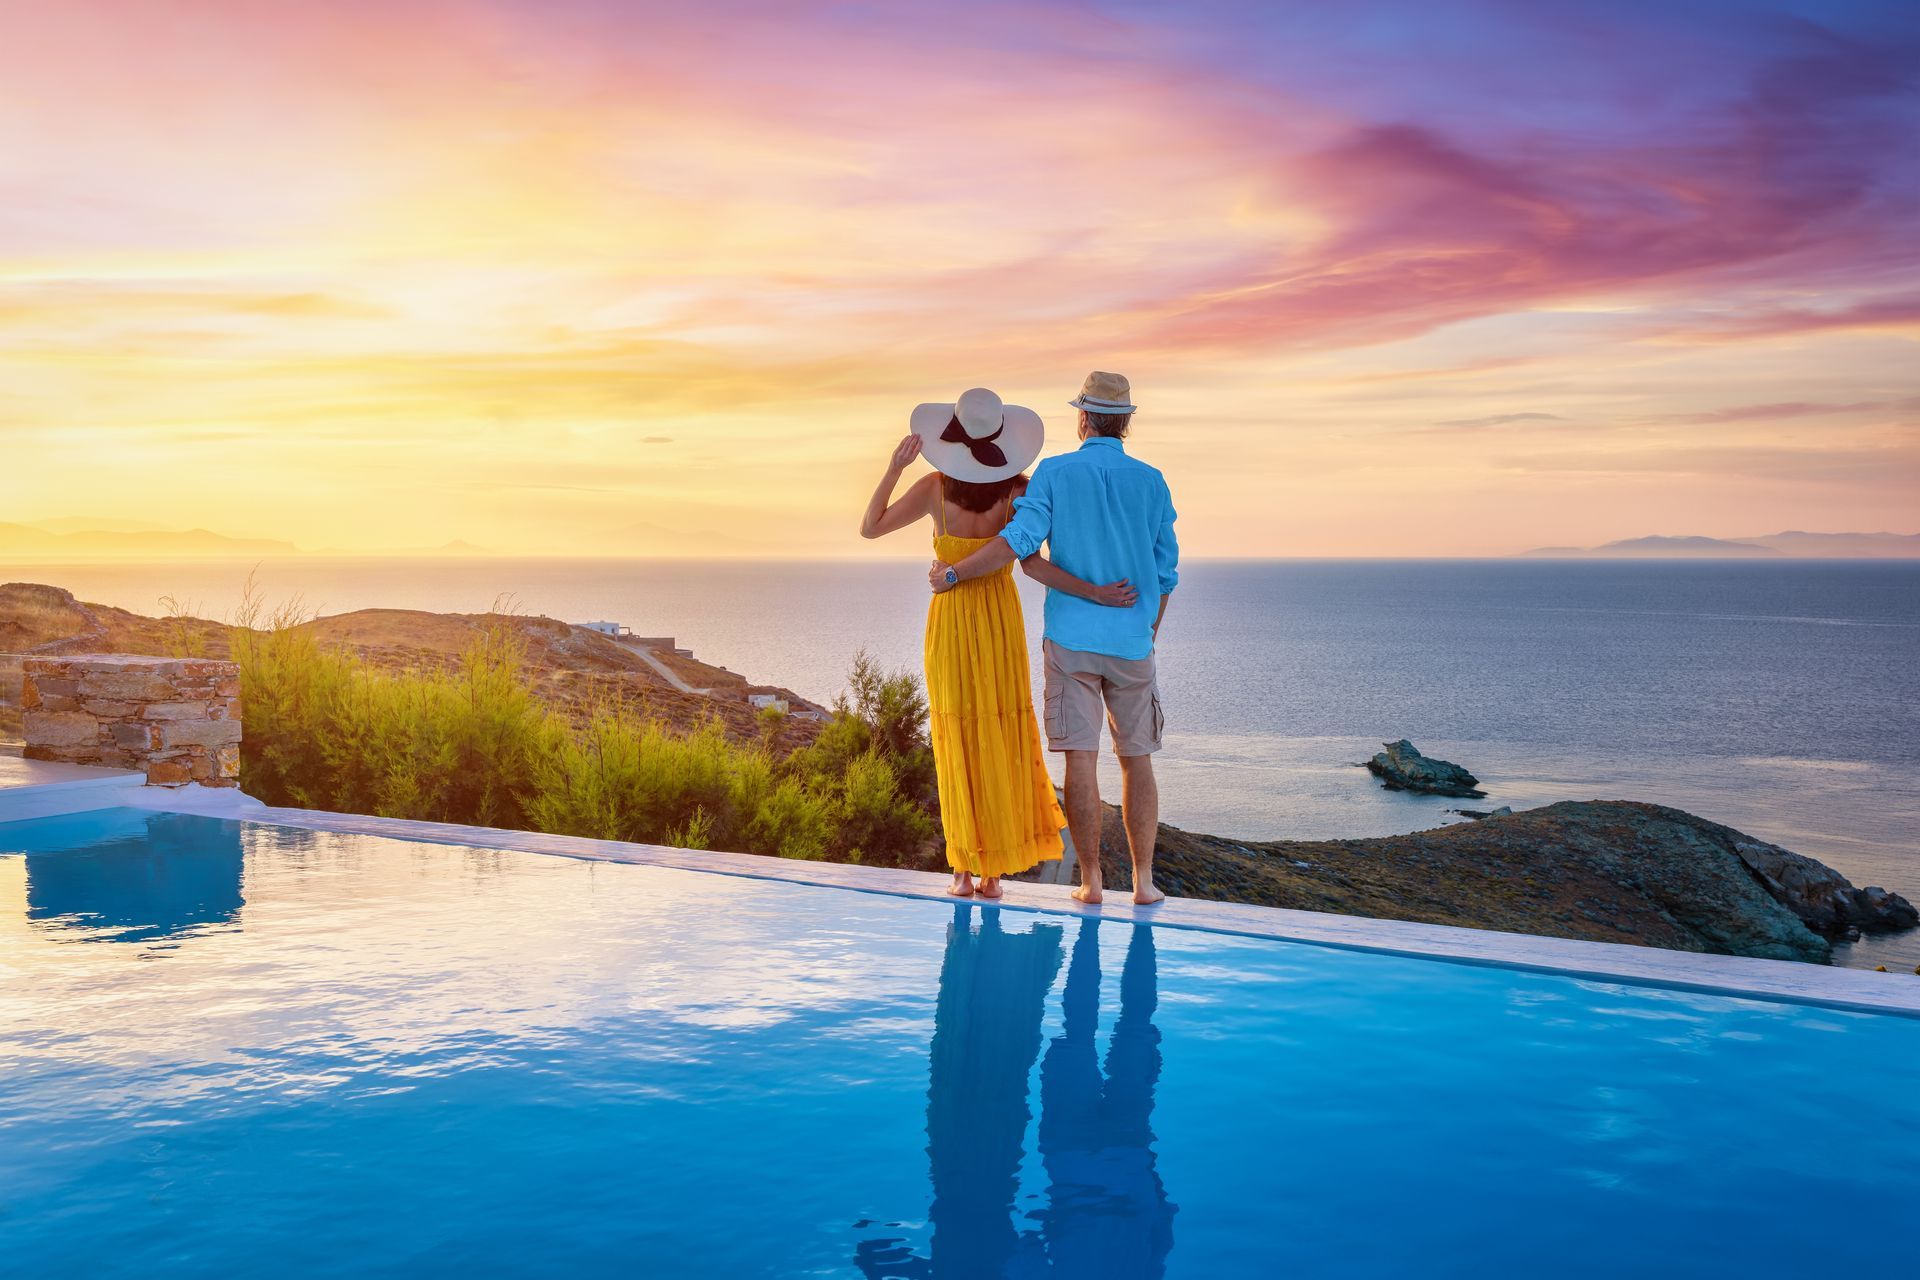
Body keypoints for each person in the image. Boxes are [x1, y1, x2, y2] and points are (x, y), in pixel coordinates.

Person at [861, 386, 1138, 898]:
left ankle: (963, 872)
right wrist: (1095, 592)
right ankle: (990, 874)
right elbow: (1032, 562)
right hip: (998, 621)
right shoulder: (1019, 492)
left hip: (950, 619)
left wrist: (895, 467)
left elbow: (870, 527)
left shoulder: (933, 488)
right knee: (999, 735)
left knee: (956, 738)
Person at [930, 371, 1177, 905]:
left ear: (1082, 419)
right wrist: (1146, 633)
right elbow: (1166, 574)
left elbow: (1019, 549)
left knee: (1080, 761)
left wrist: (952, 575)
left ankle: (1090, 883)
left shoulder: (1055, 474)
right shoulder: (1153, 481)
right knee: (1138, 760)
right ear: (1126, 423)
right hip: (1134, 643)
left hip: (1070, 643)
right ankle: (1143, 883)